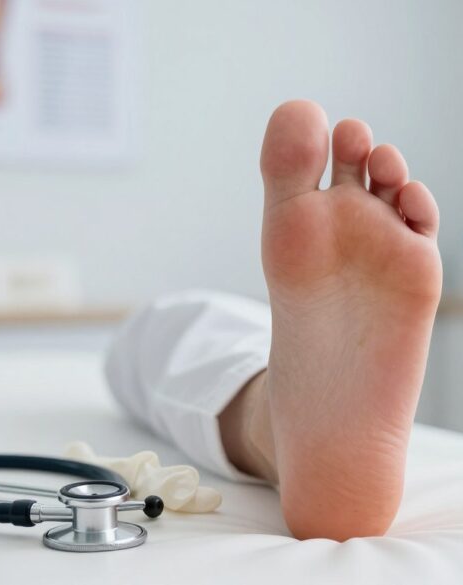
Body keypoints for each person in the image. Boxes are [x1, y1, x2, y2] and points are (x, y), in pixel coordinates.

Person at [106, 100, 442, 542]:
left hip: (264, 331)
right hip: (267, 329)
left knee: (154, 340)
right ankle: (268, 424)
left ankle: (267, 428)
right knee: (200, 333)